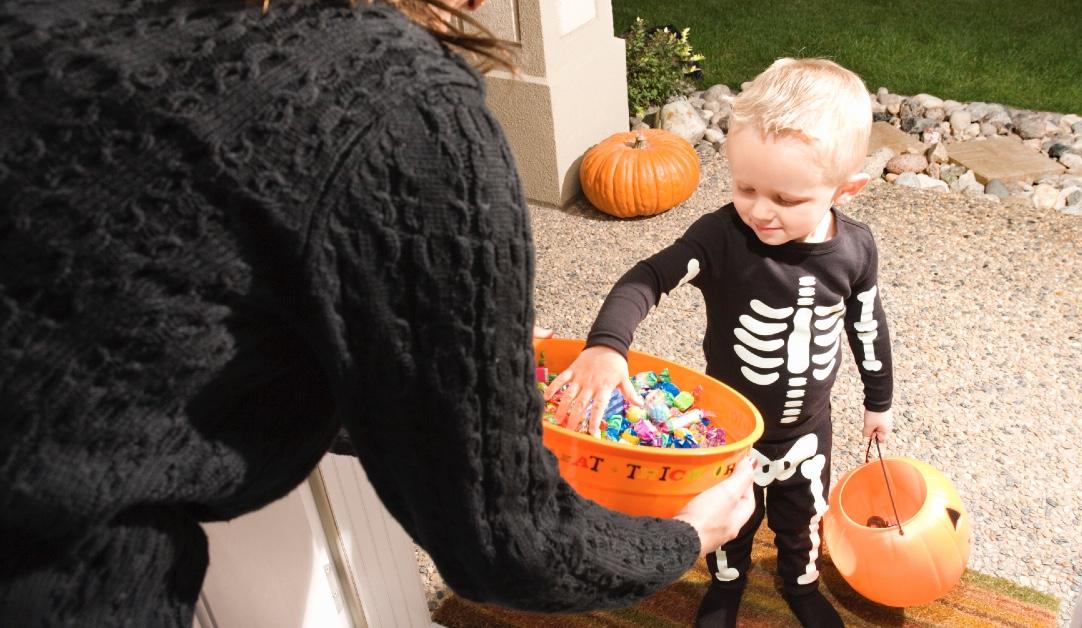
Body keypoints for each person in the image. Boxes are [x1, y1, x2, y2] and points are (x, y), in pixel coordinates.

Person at [0, 1, 757, 625]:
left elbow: (179, 315)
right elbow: (505, 541)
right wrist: (683, 535)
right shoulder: (405, 111)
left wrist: (427, 357)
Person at [545, 58, 896, 627]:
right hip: (730, 428)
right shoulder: (721, 237)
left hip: (810, 427)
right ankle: (727, 586)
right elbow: (646, 278)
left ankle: (800, 583)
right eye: (745, 187)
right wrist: (608, 344)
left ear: (846, 190)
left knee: (803, 514)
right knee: (729, 516)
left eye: (785, 199)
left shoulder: (855, 250)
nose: (760, 210)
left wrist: (877, 401)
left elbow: (867, 323)